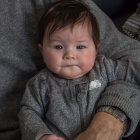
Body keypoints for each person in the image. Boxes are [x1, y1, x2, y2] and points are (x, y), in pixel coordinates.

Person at [18, 1, 140, 140]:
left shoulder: (105, 67)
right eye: (58, 47)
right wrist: (41, 135)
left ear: (96, 48)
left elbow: (132, 71)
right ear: (42, 50)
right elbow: (28, 113)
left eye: (80, 47)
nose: (70, 55)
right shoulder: (40, 84)